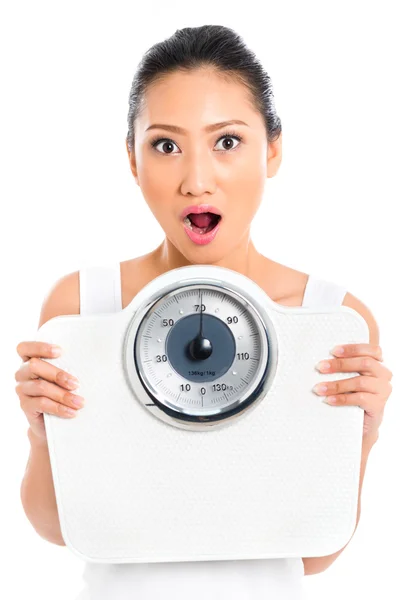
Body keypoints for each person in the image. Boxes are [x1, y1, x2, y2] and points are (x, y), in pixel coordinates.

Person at [15, 24, 392, 600]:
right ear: (133, 161)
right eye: (166, 145)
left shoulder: (329, 319)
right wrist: (43, 435)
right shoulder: (84, 309)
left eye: (227, 141)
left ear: (273, 149)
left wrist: (361, 437)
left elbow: (313, 557)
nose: (197, 180)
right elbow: (58, 529)